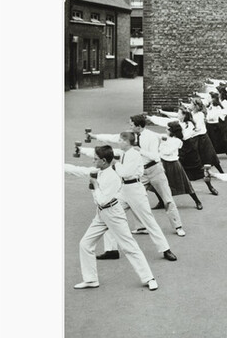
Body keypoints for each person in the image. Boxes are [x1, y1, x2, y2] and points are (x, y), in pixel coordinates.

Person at [64, 145, 159, 291]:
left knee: (129, 247)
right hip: (101, 214)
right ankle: (90, 280)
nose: (93, 161)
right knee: (85, 244)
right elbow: (78, 170)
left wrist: (94, 187)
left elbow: (102, 200)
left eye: (95, 159)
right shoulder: (99, 170)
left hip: (114, 213)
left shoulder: (113, 177)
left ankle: (149, 278)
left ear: (103, 160)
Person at [76, 131, 178, 263]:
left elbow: (125, 172)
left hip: (135, 189)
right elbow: (104, 156)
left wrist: (114, 164)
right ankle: (111, 250)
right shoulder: (123, 153)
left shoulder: (134, 155)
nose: (118, 142)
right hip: (123, 190)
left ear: (126, 142)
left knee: (148, 220)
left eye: (120, 140)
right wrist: (82, 150)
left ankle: (165, 249)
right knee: (108, 214)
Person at [91, 116, 186, 238]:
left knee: (167, 199)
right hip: (140, 173)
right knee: (135, 198)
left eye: (131, 125)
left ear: (139, 126)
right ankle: (141, 227)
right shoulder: (130, 136)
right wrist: (95, 136)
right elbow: (113, 137)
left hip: (155, 169)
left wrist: (140, 150)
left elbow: (155, 156)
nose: (129, 127)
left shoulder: (150, 137)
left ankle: (178, 226)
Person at [159, 121, 203, 210]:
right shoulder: (166, 137)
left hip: (173, 164)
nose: (166, 130)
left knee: (185, 183)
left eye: (167, 129)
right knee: (159, 184)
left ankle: (197, 201)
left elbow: (167, 152)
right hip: (164, 163)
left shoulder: (177, 141)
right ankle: (161, 202)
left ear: (172, 131)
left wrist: (161, 145)